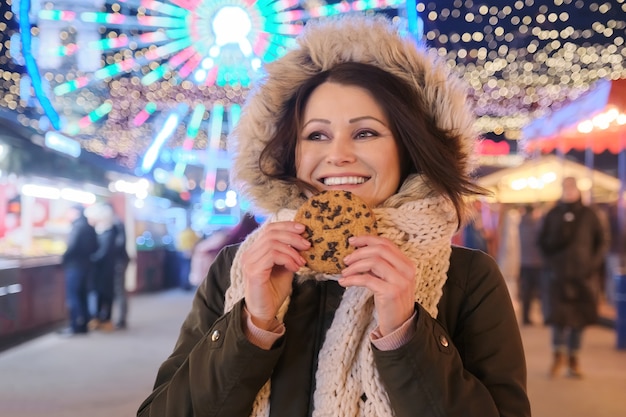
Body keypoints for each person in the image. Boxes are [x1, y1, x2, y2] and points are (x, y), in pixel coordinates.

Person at [138, 15, 530, 417]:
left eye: (365, 133)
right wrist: (251, 327)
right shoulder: (237, 269)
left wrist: (406, 333)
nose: (337, 154)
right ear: (290, 152)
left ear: (409, 149)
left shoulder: (469, 279)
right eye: (316, 135)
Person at [538, 176, 606, 378]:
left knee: (579, 319)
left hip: (582, 277)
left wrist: (591, 266)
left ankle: (573, 359)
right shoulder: (552, 214)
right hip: (557, 277)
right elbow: (541, 242)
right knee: (558, 318)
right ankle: (557, 357)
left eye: (571, 188)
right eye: (565, 188)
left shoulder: (589, 214)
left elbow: (602, 242)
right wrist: (550, 266)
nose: (568, 191)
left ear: (577, 190)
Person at [58, 205, 98, 336]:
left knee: (73, 296)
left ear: (75, 212)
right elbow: (96, 247)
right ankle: (84, 325)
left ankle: (74, 325)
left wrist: (63, 259)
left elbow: (71, 246)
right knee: (83, 295)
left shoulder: (77, 227)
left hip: (74, 266)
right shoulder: (90, 227)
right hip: (87, 266)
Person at [85, 203, 118, 332]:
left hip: (106, 270)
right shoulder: (102, 232)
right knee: (99, 294)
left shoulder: (109, 233)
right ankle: (98, 318)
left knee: (106, 295)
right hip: (100, 270)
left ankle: (106, 319)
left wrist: (90, 259)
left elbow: (103, 253)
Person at [518, 204, 544, 325]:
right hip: (537, 262)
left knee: (526, 292)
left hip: (523, 261)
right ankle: (545, 315)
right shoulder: (537, 225)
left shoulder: (519, 225)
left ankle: (525, 317)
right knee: (541, 291)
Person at [112, 212, 130, 329]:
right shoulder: (117, 224)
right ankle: (120, 319)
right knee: (119, 291)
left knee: (119, 291)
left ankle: (122, 319)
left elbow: (118, 244)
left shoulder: (116, 224)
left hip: (118, 262)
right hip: (119, 261)